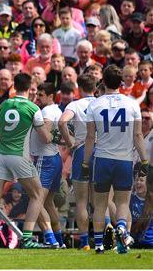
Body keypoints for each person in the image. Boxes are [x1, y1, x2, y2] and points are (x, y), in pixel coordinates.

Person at [0, 73, 54, 249]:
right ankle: (27, 238)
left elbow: (1, 125)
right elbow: (44, 137)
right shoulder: (33, 108)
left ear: (14, 86)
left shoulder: (5, 104)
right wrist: (54, 136)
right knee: (37, 195)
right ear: (29, 87)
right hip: (18, 155)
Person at [82, 65, 149, 254]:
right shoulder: (132, 104)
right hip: (124, 160)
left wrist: (86, 163)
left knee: (100, 204)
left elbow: (89, 138)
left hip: (102, 159)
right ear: (121, 82)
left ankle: (100, 245)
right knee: (122, 203)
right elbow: (137, 135)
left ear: (103, 81)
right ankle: (121, 228)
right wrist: (144, 160)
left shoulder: (94, 104)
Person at [58, 74, 98, 251]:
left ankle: (84, 243)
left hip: (82, 149)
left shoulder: (74, 104)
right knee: (101, 201)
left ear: (79, 88)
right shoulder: (101, 103)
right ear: (95, 87)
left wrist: (70, 143)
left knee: (82, 201)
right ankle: (102, 240)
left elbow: (62, 122)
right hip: (101, 151)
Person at [29, 82, 64, 248]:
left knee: (36, 200)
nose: (37, 98)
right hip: (54, 158)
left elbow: (45, 136)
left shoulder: (47, 111)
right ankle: (60, 240)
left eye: (40, 95)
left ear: (51, 96)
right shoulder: (57, 109)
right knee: (48, 203)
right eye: (37, 95)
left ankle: (51, 239)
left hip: (45, 159)